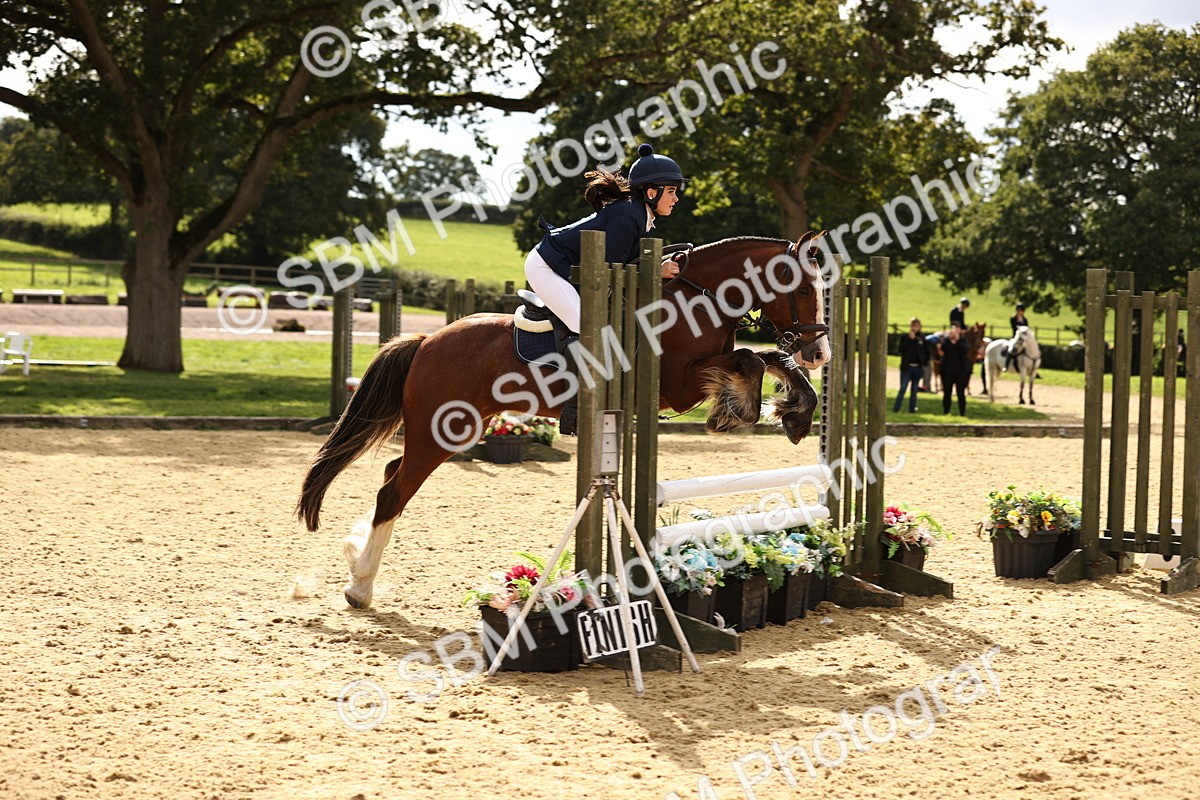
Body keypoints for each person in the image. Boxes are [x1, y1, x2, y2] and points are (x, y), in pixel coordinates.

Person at [525, 143, 687, 434]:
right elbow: (613, 273)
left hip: (569, 268)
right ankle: (574, 411)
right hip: (547, 266)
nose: (677, 199)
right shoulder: (629, 216)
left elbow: (622, 263)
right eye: (672, 191)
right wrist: (655, 270)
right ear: (652, 192)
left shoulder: (639, 216)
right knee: (588, 327)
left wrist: (657, 265)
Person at [894, 318, 927, 413]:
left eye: (917, 326)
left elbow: (925, 352)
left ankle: (912, 409)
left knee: (914, 390)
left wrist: (923, 363)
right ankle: (896, 409)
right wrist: (909, 340)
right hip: (907, 368)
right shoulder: (904, 338)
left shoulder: (921, 339)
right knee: (903, 388)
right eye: (913, 326)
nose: (915, 328)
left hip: (917, 368)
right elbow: (901, 350)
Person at [938, 322, 970, 416]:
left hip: (961, 371)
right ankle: (946, 412)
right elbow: (943, 348)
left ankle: (962, 413)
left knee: (960, 393)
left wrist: (957, 340)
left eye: (957, 329)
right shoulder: (946, 341)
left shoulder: (964, 340)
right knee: (947, 392)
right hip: (947, 371)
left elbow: (965, 349)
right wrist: (950, 340)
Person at [1006, 303, 1029, 371]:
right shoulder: (1013, 318)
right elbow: (1014, 328)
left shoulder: (1025, 320)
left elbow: (1027, 328)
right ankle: (1006, 365)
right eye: (1018, 310)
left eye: (1020, 310)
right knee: (1011, 349)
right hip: (1015, 338)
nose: (1019, 312)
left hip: (1024, 339)